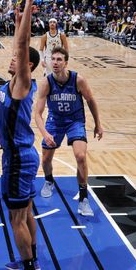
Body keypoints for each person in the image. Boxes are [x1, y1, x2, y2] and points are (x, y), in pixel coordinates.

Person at [0, 0, 47, 270]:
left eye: (18, 58)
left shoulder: (22, 83)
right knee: (26, 211)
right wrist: (17, 21)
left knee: (17, 218)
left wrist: (28, 6)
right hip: (20, 156)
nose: (12, 57)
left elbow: (23, 45)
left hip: (18, 158)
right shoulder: (14, 82)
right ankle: (32, 260)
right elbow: (19, 44)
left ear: (27, 66)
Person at [34, 46, 103, 216]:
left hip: (75, 121)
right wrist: (45, 133)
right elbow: (37, 113)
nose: (55, 62)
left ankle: (84, 198)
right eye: (53, 59)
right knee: (46, 157)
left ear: (66, 62)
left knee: (80, 156)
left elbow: (91, 100)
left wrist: (98, 124)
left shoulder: (78, 80)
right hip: (55, 121)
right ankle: (49, 181)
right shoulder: (46, 82)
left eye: (59, 60)